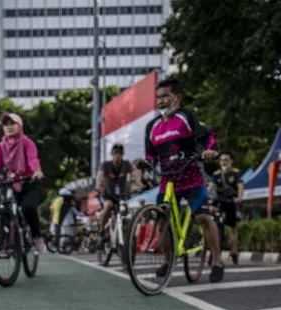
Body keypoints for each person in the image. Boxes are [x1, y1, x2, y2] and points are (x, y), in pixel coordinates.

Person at [145, 76, 224, 283]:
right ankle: (169, 259)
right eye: (158, 97)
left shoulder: (186, 117)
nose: (160, 101)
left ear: (177, 98)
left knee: (203, 218)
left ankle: (217, 260)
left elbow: (208, 137)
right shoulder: (152, 127)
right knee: (162, 221)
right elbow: (151, 155)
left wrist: (209, 150)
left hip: (191, 176)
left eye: (165, 96)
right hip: (167, 180)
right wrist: (144, 166)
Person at [0, 112, 46, 254]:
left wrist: (37, 171)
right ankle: (5, 243)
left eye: (12, 123)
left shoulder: (27, 143)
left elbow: (33, 159)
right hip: (14, 183)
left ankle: (36, 237)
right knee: (6, 209)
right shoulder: (1, 146)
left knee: (28, 208)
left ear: (20, 125)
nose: (9, 127)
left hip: (31, 182)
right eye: (6, 124)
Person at [211, 151, 244, 264]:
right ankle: (215, 254)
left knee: (232, 229)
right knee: (214, 227)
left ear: (231, 161)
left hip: (231, 202)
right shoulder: (216, 174)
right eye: (221, 160)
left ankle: (234, 251)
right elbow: (212, 187)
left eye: (226, 160)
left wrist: (239, 197)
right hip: (218, 203)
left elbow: (240, 186)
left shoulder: (236, 173)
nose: (223, 162)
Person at [96, 143, 133, 238]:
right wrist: (99, 186)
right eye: (115, 153)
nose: (118, 155)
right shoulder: (106, 165)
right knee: (108, 206)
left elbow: (135, 174)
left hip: (121, 196)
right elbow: (100, 176)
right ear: (112, 154)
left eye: (120, 153)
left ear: (122, 154)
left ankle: (126, 236)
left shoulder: (126, 164)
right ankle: (101, 230)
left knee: (127, 212)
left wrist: (138, 183)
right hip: (107, 195)